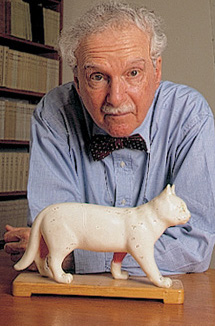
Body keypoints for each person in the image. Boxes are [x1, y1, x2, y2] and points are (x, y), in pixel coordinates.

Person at [4, 1, 215, 276]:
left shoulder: (190, 115)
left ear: (157, 71)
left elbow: (194, 246)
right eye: (98, 77)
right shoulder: (53, 112)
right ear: (77, 81)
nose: (116, 97)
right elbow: (54, 226)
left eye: (133, 73)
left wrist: (78, 256)